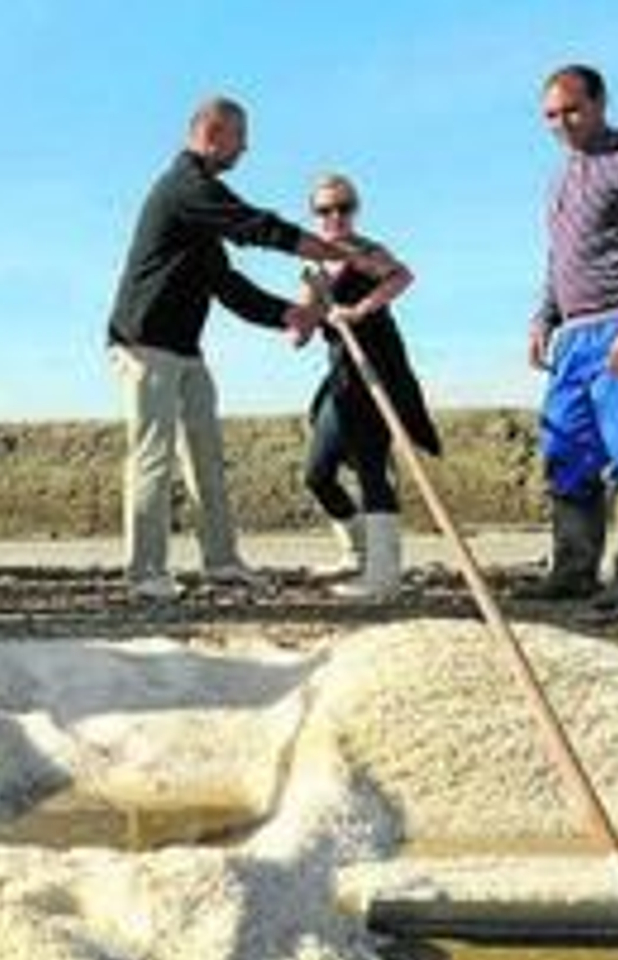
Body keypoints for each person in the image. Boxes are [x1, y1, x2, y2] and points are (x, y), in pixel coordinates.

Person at [105, 96, 385, 601]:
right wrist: (331, 249)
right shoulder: (185, 188)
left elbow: (227, 284)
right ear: (212, 133)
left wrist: (288, 314)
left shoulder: (198, 210)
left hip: (185, 349)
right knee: (152, 458)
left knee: (207, 459)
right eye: (241, 138)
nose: (247, 148)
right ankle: (145, 574)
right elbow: (255, 225)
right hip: (144, 345)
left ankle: (223, 563)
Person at [525, 65, 618, 610]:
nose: (561, 123)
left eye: (571, 110)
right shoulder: (561, 177)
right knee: (564, 447)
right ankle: (573, 569)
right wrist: (544, 317)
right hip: (575, 333)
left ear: (600, 102)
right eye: (550, 115)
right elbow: (559, 257)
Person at [298, 173, 441, 598]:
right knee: (317, 472)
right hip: (342, 371)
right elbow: (307, 314)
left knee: (370, 463)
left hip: (378, 367)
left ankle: (384, 574)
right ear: (315, 214)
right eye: (326, 210)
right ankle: (356, 551)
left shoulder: (365, 251)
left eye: (344, 207)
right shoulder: (314, 260)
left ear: (355, 209)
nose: (336, 216)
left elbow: (401, 277)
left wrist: (359, 309)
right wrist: (301, 325)